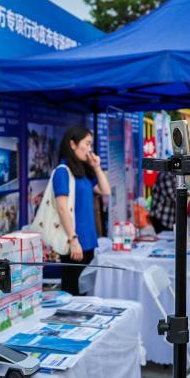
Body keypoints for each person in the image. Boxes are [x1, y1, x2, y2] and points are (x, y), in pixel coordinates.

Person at [51, 126, 111, 295]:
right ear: (72, 144)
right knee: (73, 291)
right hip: (74, 242)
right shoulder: (62, 171)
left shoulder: (82, 172)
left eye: (91, 145)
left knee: (85, 292)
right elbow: (62, 207)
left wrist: (97, 167)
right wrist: (73, 239)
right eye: (87, 144)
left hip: (88, 240)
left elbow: (105, 190)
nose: (90, 149)